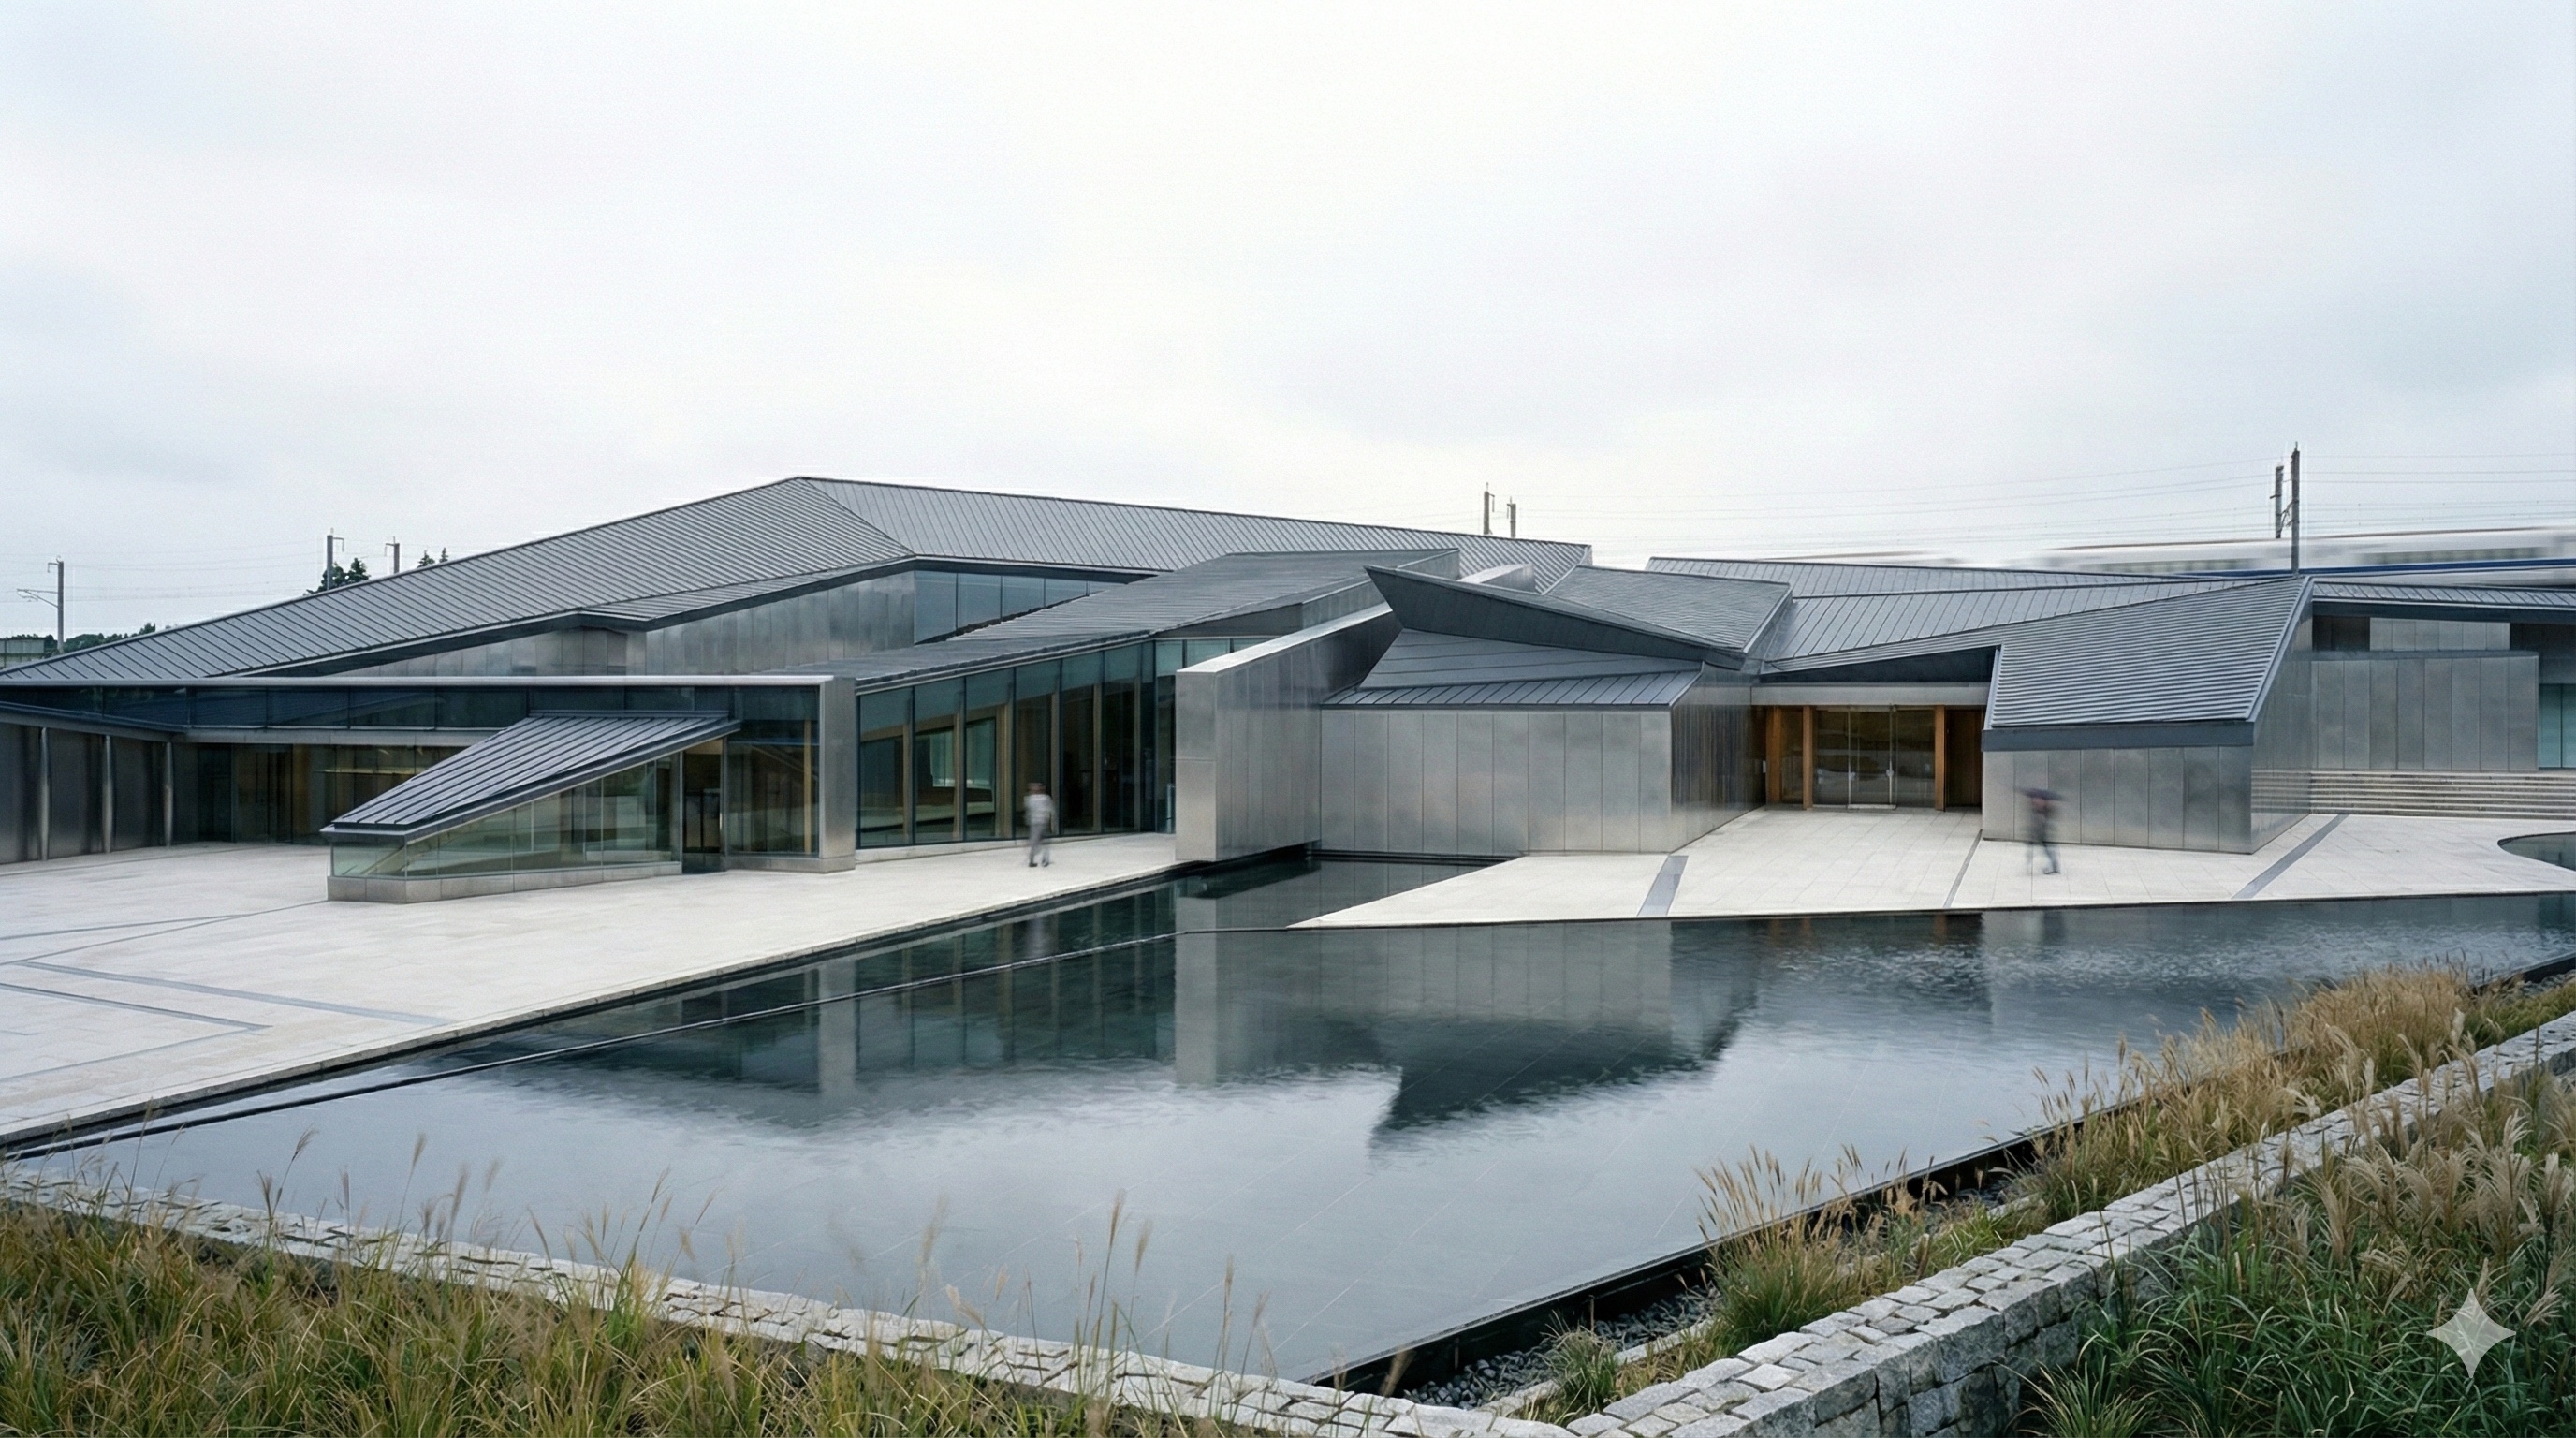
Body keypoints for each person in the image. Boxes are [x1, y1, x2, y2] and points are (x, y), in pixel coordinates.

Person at [2025, 786, 2059, 875]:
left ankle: (2054, 866)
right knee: (2035, 847)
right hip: (2038, 832)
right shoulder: (2036, 809)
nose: (2035, 801)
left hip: (2044, 833)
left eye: (2038, 799)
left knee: (2048, 848)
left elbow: (2048, 823)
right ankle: (2029, 863)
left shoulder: (2048, 810)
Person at [1023, 782, 1054, 867]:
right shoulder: (1045, 798)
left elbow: (1028, 811)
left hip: (1036, 822)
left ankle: (1034, 860)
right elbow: (1050, 809)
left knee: (1036, 841)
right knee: (1044, 841)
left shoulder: (1029, 798)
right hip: (1041, 821)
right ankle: (1043, 860)